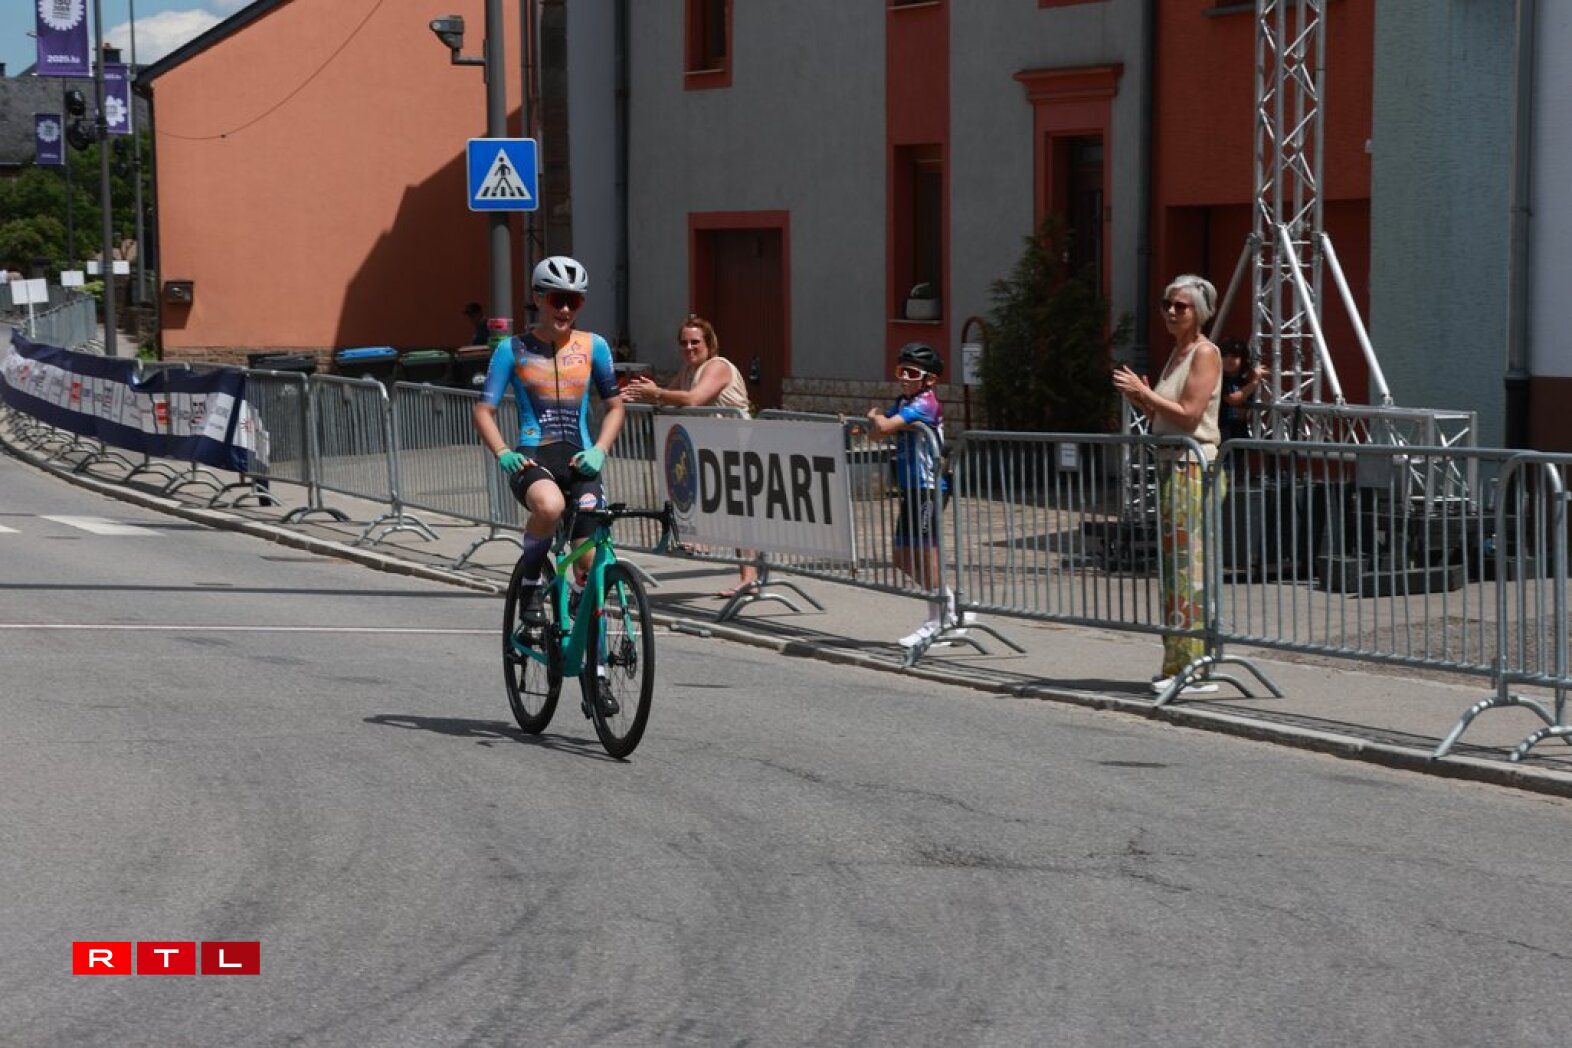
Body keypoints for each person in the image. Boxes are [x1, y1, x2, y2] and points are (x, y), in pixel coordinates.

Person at [471, 256, 626, 713]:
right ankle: (531, 582)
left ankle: (597, 676)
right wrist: (503, 452)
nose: (565, 309)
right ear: (538, 298)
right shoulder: (512, 349)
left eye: (575, 301)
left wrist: (601, 449)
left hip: (580, 458)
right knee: (550, 506)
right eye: (558, 299)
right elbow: (483, 409)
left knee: (592, 567)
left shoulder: (594, 346)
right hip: (533, 457)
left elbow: (615, 406)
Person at [1112, 274, 1224, 696]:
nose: (1171, 312)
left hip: (1192, 468)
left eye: (1181, 306)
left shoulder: (1205, 352)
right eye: (1167, 305)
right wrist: (1141, 398)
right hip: (1172, 465)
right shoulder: (1178, 353)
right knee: (1174, 573)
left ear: (1200, 311)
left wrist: (1147, 394)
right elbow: (1166, 415)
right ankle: (1177, 663)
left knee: (1189, 571)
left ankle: (1195, 667)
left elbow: (1191, 414)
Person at [623, 314, 756, 596]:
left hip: (738, 447)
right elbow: (668, 397)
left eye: (695, 342)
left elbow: (693, 399)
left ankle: (749, 576)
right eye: (684, 343)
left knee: (739, 513)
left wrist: (656, 393)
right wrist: (633, 395)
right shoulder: (687, 371)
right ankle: (744, 572)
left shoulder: (717, 366)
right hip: (713, 450)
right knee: (726, 507)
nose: (689, 347)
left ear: (709, 344)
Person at [864, 341, 970, 649]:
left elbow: (884, 426)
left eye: (911, 373)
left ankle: (937, 620)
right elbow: (877, 433)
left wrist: (876, 418)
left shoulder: (926, 403)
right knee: (901, 558)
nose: (904, 378)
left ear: (930, 379)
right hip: (910, 488)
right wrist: (879, 424)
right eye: (901, 371)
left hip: (928, 487)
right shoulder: (903, 401)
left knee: (926, 553)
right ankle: (952, 607)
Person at [1218, 337, 1266, 443]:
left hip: (1239, 430)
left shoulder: (1243, 382)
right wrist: (1254, 382)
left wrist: (1261, 379)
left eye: (1234, 356)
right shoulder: (1219, 379)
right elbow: (1233, 399)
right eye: (1224, 356)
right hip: (1222, 429)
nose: (1228, 359)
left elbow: (1265, 399)